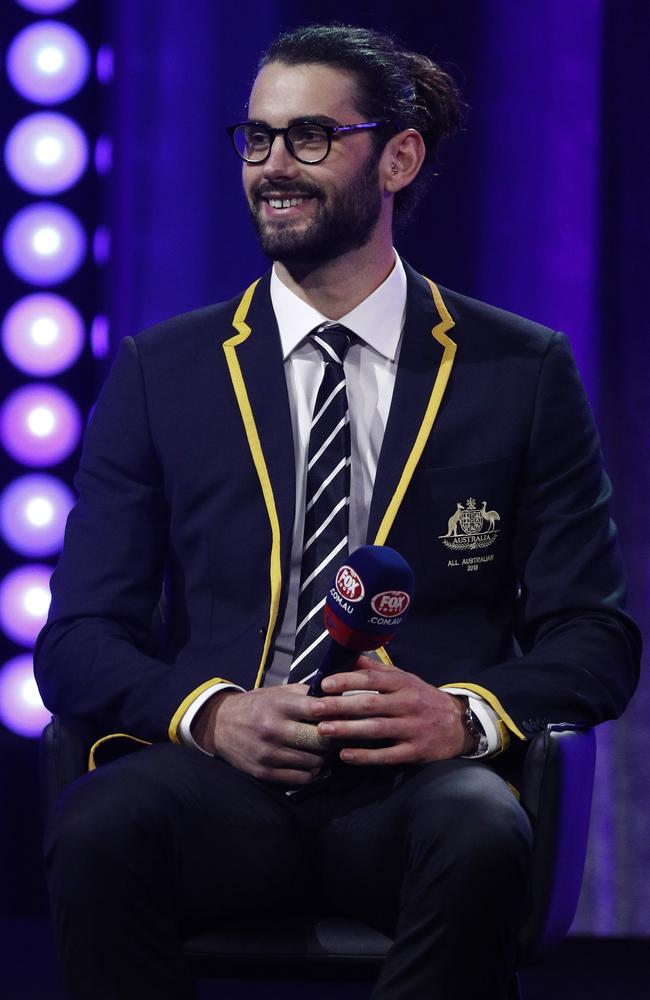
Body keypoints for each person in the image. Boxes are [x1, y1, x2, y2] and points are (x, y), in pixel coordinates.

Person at [35, 23, 640, 1000]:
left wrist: (462, 715)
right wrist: (212, 714)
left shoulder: (518, 369)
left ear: (397, 156)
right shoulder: (166, 370)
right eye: (257, 138)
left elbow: (594, 637)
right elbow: (75, 641)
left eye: (310, 136)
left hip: (413, 795)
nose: (274, 166)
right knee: (100, 825)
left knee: (482, 831)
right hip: (219, 783)